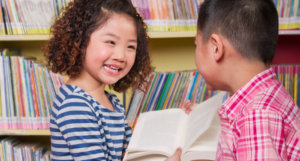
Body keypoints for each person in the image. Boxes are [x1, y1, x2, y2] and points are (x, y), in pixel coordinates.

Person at [167, 0, 300, 160]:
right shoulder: (267, 95)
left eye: (196, 43)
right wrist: (202, 114)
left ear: (216, 48)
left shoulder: (256, 117)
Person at [43, 0, 151, 160]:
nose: (121, 56)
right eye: (111, 42)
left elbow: (132, 153)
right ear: (80, 41)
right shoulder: (75, 106)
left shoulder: (112, 102)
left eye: (130, 47)